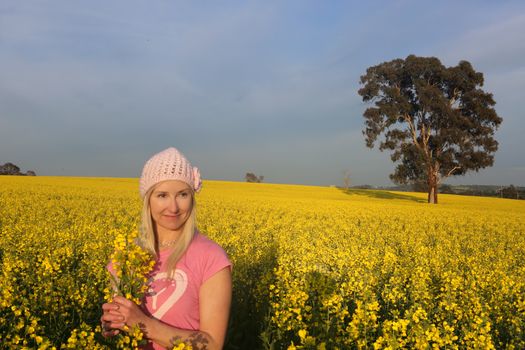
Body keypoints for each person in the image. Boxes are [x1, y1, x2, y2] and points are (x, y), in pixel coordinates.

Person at [101, 147, 232, 350]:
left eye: (182, 194)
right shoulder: (125, 257)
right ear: (148, 200)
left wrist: (143, 325)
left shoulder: (211, 258)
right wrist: (111, 325)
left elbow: (213, 344)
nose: (173, 207)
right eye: (162, 195)